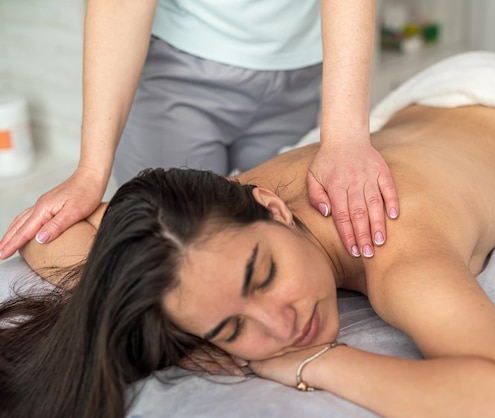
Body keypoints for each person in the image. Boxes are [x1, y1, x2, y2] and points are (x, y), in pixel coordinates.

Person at [3, 37, 495, 418]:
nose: (282, 324)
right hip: (437, 106)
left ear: (272, 206)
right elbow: (48, 232)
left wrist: (316, 363)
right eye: (232, 328)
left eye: (265, 274)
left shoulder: (397, 251)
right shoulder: (196, 219)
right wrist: (184, 328)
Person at [0, 0, 399, 263]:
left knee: (270, 244)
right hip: (180, 68)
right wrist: (90, 171)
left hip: (305, 67)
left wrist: (345, 135)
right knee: (172, 251)